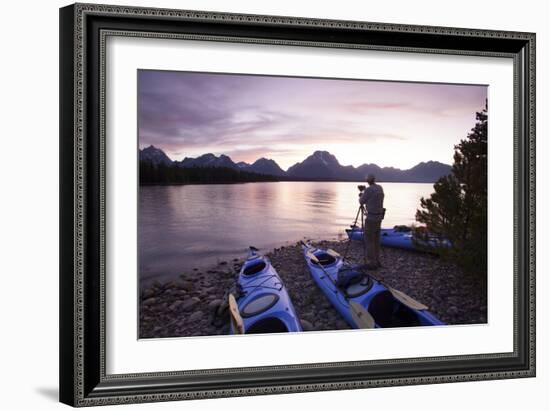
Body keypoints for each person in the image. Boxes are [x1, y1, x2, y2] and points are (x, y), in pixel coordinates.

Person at [358, 174, 385, 269]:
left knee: (369, 240)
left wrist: (361, 195)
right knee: (376, 240)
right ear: (374, 179)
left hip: (371, 218)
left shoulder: (368, 190)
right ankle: (377, 261)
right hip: (379, 218)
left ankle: (371, 263)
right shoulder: (380, 188)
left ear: (368, 181)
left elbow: (361, 201)